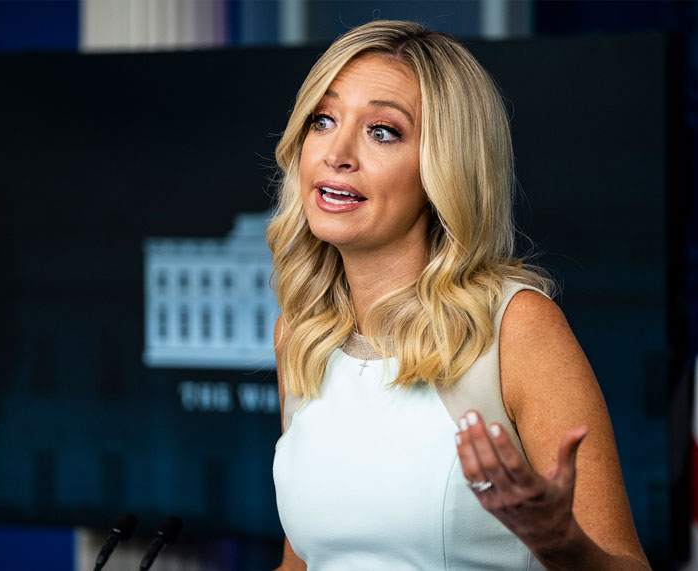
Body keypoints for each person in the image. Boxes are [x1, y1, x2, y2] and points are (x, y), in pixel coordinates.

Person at [267, 20, 650, 571]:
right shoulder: (300, 333)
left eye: (383, 132)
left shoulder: (517, 327)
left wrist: (558, 542)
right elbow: (300, 562)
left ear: (445, 167)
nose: (337, 152)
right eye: (322, 120)